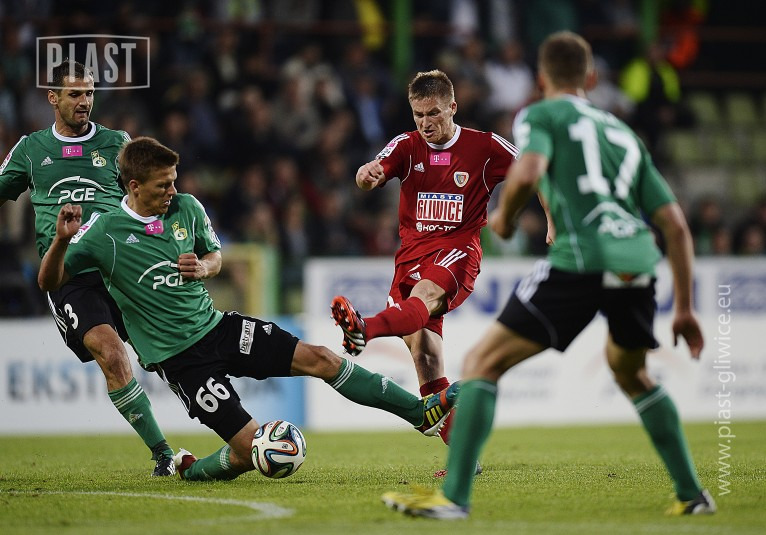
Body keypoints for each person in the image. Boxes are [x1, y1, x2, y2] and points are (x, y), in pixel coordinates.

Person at [381, 31, 716, 519]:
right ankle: (693, 495)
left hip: (582, 259)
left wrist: (506, 216)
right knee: (634, 374)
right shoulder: (624, 135)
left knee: (481, 364)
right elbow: (677, 227)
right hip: (637, 262)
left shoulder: (539, 115)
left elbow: (530, 167)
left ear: (541, 79)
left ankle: (454, 498)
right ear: (592, 79)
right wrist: (683, 308)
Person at [38, 136, 459, 482]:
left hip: (219, 328)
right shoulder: (103, 233)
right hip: (181, 361)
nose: (172, 191)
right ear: (133, 186)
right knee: (249, 452)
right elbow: (49, 282)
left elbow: (215, 256)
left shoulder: (187, 208)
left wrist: (204, 267)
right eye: (162, 185)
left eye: (173, 181)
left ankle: (420, 414)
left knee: (322, 358)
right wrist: (60, 241)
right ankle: (190, 470)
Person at [330, 70, 540, 472]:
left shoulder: (485, 146)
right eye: (418, 115)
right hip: (410, 256)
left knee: (423, 298)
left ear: (452, 107)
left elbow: (534, 172)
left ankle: (364, 329)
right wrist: (365, 176)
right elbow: (372, 171)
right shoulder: (407, 145)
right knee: (425, 357)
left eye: (433, 113)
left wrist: (552, 223)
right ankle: (465, 460)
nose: (425, 123)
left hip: (458, 250)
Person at [0, 61, 175, 476]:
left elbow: (156, 199)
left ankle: (234, 433)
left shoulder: (117, 143)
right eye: (75, 94)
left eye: (90, 93)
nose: (84, 102)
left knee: (168, 352)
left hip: (123, 267)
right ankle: (163, 454)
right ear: (53, 98)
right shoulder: (31, 149)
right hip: (69, 276)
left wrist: (162, 237)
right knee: (111, 355)